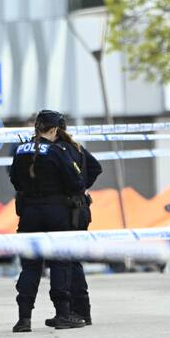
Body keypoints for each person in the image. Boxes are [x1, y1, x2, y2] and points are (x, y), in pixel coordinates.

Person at [9, 109, 86, 333]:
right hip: (57, 213)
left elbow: (15, 181)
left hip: (29, 214)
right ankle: (63, 314)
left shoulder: (20, 150)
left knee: (30, 266)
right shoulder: (57, 151)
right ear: (53, 130)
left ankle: (24, 319)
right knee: (60, 263)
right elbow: (76, 182)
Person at [53, 121, 102, 326]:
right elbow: (96, 168)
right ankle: (82, 310)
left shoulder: (57, 150)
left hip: (69, 210)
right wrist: (82, 188)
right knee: (73, 261)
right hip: (80, 208)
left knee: (69, 262)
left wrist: (77, 188)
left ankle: (78, 311)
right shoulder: (76, 147)